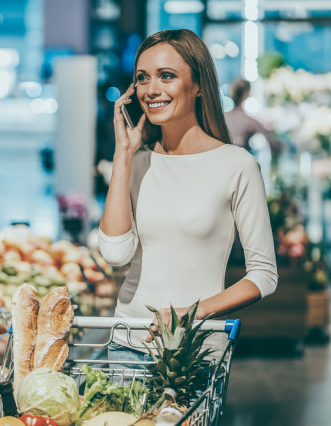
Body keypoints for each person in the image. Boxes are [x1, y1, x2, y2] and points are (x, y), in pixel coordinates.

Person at [97, 29, 278, 365]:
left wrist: (191, 313)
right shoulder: (134, 162)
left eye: (166, 76)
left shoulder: (237, 165)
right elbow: (115, 254)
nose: (151, 90)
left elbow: (264, 276)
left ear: (198, 86)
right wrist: (123, 154)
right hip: (127, 345)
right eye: (142, 78)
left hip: (195, 351)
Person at [224, 78, 283, 155]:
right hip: (240, 162)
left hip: (222, 160)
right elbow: (271, 141)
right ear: (246, 93)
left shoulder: (223, 117)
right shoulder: (248, 121)